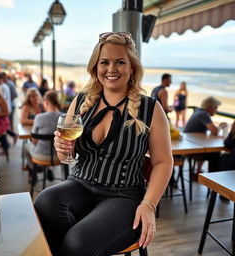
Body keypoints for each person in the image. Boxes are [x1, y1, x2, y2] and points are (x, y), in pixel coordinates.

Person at [34, 32, 173, 256]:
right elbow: (66, 151)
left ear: (132, 68)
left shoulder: (151, 108)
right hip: (79, 184)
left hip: (123, 196)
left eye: (120, 62)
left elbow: (163, 162)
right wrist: (62, 149)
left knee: (77, 242)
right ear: (95, 67)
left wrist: (149, 205)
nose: (111, 69)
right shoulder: (81, 102)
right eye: (104, 62)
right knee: (45, 202)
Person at [184, 96, 227, 179]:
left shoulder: (198, 111)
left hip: (190, 143)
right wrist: (221, 126)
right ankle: (214, 179)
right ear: (210, 107)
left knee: (210, 150)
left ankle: (198, 172)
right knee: (215, 154)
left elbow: (212, 131)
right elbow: (214, 131)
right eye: (215, 107)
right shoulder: (203, 114)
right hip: (192, 148)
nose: (216, 110)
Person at [23, 91, 62, 179]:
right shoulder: (65, 117)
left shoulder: (39, 117)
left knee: (26, 146)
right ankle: (48, 169)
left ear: (46, 102)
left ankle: (35, 170)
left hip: (41, 155)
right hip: (60, 156)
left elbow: (34, 141)